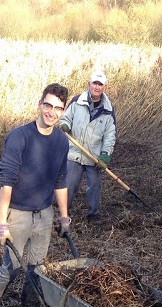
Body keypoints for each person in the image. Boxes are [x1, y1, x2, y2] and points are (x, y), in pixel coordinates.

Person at [0, 83, 72, 307]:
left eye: (58, 108)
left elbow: (61, 180)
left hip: (45, 214)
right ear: (40, 104)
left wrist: (64, 215)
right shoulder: (20, 136)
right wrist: (1, 222)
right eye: (48, 105)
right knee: (11, 268)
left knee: (38, 268)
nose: (51, 112)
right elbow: (7, 182)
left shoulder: (61, 141)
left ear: (64, 111)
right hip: (18, 213)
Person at [59, 70, 116, 225]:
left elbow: (110, 135)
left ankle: (93, 214)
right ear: (89, 84)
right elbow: (67, 117)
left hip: (94, 156)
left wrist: (105, 156)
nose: (97, 87)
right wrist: (65, 125)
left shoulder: (108, 110)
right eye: (94, 83)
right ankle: (64, 211)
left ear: (104, 87)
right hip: (75, 152)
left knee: (94, 186)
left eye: (100, 84)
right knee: (69, 183)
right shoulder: (77, 101)